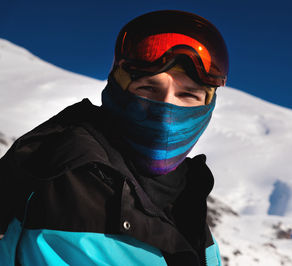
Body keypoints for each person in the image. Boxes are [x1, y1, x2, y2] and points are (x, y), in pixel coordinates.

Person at [0, 10, 229, 265]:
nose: (167, 112)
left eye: (188, 95)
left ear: (207, 107)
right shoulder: (57, 177)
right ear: (118, 91)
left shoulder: (188, 198)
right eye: (148, 88)